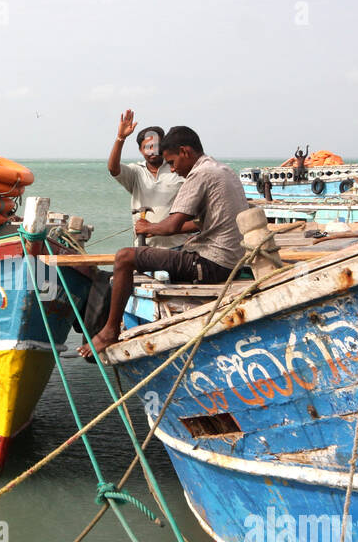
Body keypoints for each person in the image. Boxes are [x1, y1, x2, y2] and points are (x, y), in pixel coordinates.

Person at [80, 125, 248, 357]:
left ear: (185, 151)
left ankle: (109, 331)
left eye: (172, 162)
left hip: (211, 264)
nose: (173, 169)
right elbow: (199, 222)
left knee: (124, 257)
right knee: (140, 264)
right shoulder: (222, 169)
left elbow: (172, 226)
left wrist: (148, 227)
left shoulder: (200, 174)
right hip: (229, 261)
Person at [107, 110, 189, 248]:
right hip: (144, 245)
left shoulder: (177, 169)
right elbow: (113, 169)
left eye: (156, 146)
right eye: (147, 147)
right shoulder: (136, 172)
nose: (152, 151)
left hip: (178, 246)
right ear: (140, 150)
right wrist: (120, 138)